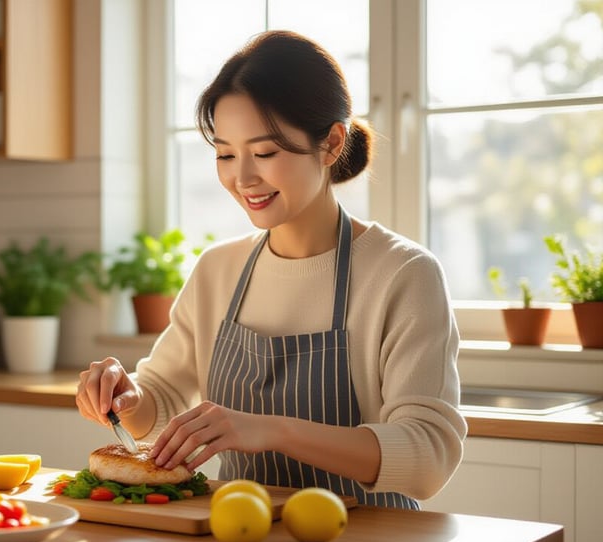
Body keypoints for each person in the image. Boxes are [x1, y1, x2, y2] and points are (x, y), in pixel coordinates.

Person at [75, 30, 467, 509]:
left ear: (330, 144)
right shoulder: (218, 269)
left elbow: (428, 458)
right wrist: (126, 398)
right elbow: (164, 401)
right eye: (225, 154)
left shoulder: (403, 274)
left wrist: (271, 429)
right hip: (236, 536)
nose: (242, 179)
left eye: (264, 153)